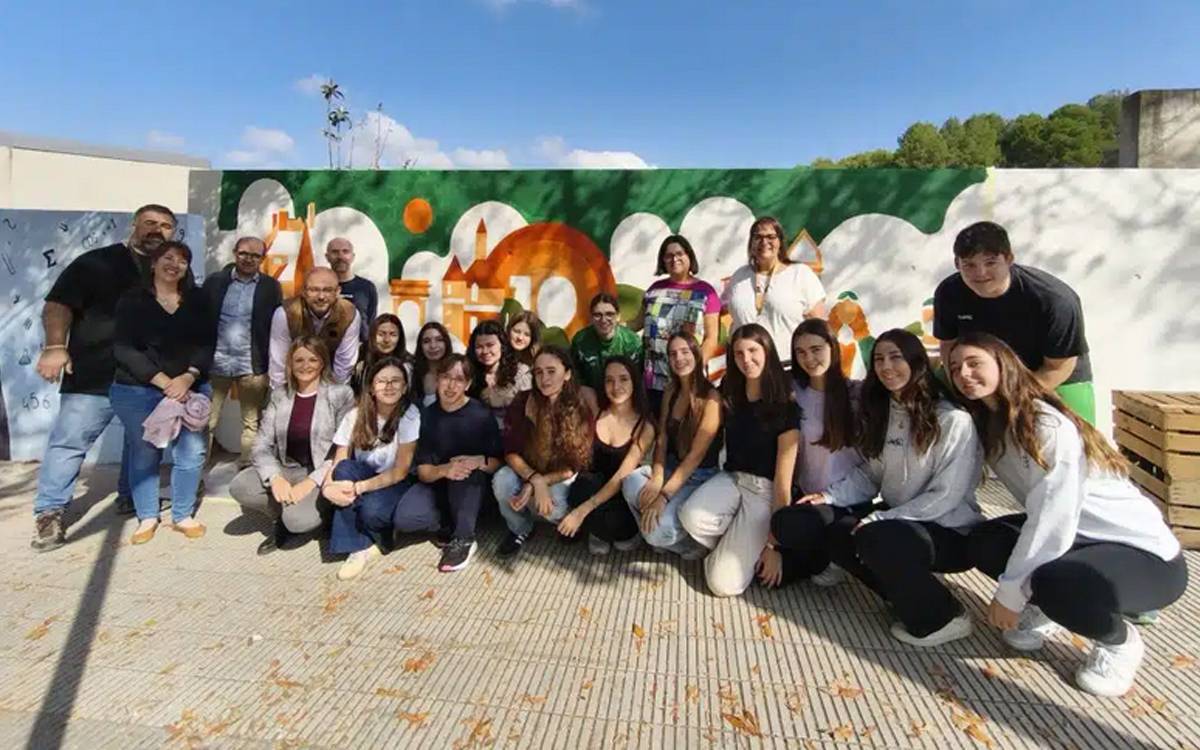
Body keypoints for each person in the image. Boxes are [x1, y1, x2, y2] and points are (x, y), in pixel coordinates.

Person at [949, 333, 1187, 697]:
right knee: (985, 540)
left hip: (1147, 558)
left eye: (973, 363)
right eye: (954, 368)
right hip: (1079, 540)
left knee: (1056, 582)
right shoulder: (991, 423)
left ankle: (1118, 642)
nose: (963, 373)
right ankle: (1048, 610)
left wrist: (1011, 592)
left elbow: (1053, 518)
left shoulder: (1046, 425)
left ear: (1003, 365)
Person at [776, 329, 984, 647]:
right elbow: (871, 474)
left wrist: (882, 519)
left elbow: (947, 495)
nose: (887, 367)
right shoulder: (886, 412)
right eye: (879, 359)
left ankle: (945, 617)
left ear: (917, 362)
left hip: (949, 529)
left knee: (873, 537)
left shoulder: (953, 420)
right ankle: (904, 593)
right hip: (896, 521)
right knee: (817, 525)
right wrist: (829, 497)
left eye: (896, 357)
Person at [31, 203, 177, 550]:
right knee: (69, 443)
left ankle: (130, 498)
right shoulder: (96, 263)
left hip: (144, 379)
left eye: (166, 226)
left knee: (140, 444)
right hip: (93, 376)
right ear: (134, 225)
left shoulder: (171, 271)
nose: (158, 230)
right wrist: (55, 346)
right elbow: (58, 304)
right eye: (150, 223)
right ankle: (50, 513)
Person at [678, 324, 800, 598]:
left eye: (753, 351)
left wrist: (773, 545)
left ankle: (743, 552)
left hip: (763, 492)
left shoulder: (785, 404)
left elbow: (783, 481)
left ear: (767, 351)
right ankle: (737, 545)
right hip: (732, 479)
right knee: (690, 517)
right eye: (739, 354)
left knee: (722, 586)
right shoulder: (730, 391)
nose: (747, 360)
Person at [934, 220, 1095, 423]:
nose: (980, 273)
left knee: (1077, 443)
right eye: (969, 265)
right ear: (957, 264)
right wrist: (964, 388)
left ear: (1009, 258)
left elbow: (1058, 367)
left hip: (1053, 374)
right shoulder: (948, 293)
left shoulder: (1053, 299)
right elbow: (948, 346)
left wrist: (1009, 400)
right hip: (985, 376)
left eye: (990, 262)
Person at [109, 241, 214, 545]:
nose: (175, 264)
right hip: (139, 390)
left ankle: (182, 515)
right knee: (145, 452)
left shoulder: (198, 300)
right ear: (153, 263)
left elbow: (208, 343)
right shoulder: (132, 300)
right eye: (168, 258)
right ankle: (147, 516)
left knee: (191, 452)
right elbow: (124, 348)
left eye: (182, 260)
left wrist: (188, 376)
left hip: (190, 387)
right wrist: (164, 382)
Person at [228, 337, 354, 554]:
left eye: (313, 359)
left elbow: (343, 448)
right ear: (290, 363)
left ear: (323, 362)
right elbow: (261, 443)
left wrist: (310, 483)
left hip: (322, 472)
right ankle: (281, 516)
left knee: (298, 522)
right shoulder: (280, 395)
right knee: (239, 486)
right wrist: (275, 478)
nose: (305, 366)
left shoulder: (340, 394)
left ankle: (318, 515)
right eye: (299, 360)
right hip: (286, 468)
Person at [765, 319, 864, 587]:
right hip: (805, 496)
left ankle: (834, 554)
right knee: (769, 576)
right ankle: (822, 554)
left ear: (832, 347)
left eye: (816, 349)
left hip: (847, 500)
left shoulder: (856, 395)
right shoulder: (793, 391)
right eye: (801, 352)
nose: (809, 358)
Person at [395, 354, 502, 572]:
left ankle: (464, 539)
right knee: (405, 518)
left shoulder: (480, 415)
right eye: (446, 377)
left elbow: (499, 463)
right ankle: (451, 522)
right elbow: (424, 471)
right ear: (437, 380)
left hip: (473, 487)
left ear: (468, 384)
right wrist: (445, 470)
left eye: (459, 379)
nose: (451, 385)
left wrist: (477, 461)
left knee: (464, 470)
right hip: (438, 484)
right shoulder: (427, 416)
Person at [623, 333, 722, 557]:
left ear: (696, 354)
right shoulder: (670, 390)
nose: (679, 358)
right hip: (669, 468)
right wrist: (657, 476)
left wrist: (663, 496)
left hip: (698, 476)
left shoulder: (711, 397)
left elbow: (695, 457)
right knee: (630, 482)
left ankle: (682, 542)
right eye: (673, 354)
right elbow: (662, 438)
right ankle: (654, 525)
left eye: (685, 352)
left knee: (656, 535)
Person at [324, 357, 421, 580]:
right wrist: (328, 487)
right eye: (382, 381)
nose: (388, 386)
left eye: (396, 381)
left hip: (396, 481)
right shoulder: (355, 415)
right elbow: (339, 459)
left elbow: (400, 471)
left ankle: (383, 537)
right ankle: (358, 549)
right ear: (371, 387)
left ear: (405, 387)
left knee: (372, 510)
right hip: (364, 474)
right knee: (344, 469)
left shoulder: (410, 415)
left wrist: (358, 488)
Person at [492, 347, 592, 558]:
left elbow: (574, 465)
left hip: (559, 475)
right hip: (527, 470)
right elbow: (510, 452)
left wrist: (539, 483)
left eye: (551, 371)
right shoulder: (522, 401)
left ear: (567, 374)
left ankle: (564, 522)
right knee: (502, 481)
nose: (544, 379)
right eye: (538, 372)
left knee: (554, 507)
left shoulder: (579, 407)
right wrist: (534, 480)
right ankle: (520, 528)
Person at [201, 236, 282, 467]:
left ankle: (246, 466)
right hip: (216, 362)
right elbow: (201, 317)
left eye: (255, 255)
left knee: (252, 421)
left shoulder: (269, 287)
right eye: (244, 253)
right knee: (206, 419)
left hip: (252, 364)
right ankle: (197, 466)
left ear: (262, 259)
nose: (249, 259)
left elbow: (274, 325)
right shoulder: (215, 282)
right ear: (235, 253)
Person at [560, 357, 652, 555]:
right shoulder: (596, 409)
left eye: (623, 379)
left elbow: (621, 477)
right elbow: (567, 383)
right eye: (609, 380)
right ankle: (598, 531)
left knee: (617, 528)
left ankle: (614, 531)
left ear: (635, 382)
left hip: (620, 498)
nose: (616, 386)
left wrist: (582, 511)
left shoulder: (644, 426)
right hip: (592, 490)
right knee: (581, 487)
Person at [721, 217, 826, 366]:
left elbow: (818, 327)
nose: (764, 242)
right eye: (758, 237)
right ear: (751, 243)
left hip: (788, 368)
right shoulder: (739, 276)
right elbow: (734, 323)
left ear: (780, 242)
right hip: (747, 369)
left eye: (771, 237)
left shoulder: (800, 274)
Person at [635, 235, 720, 416]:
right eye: (668, 256)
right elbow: (637, 322)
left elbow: (712, 338)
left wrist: (693, 369)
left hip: (688, 380)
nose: (675, 259)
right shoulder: (654, 290)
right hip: (654, 380)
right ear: (663, 261)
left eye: (679, 254)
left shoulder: (706, 292)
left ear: (689, 256)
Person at [268, 267, 360, 390]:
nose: (321, 296)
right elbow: (279, 362)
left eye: (328, 290)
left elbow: (344, 364)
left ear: (338, 291)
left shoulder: (349, 313)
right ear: (304, 291)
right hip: (293, 380)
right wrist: (282, 396)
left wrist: (335, 396)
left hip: (330, 380)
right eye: (314, 290)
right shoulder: (285, 313)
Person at [570, 292, 643, 393]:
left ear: (618, 316)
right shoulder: (580, 341)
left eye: (609, 314)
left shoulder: (632, 342)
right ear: (591, 318)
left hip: (622, 395)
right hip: (590, 396)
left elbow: (638, 381)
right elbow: (574, 377)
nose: (603, 320)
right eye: (597, 315)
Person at [466, 320, 531, 427]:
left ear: (502, 345)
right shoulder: (469, 374)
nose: (485, 351)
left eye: (490, 345)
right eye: (479, 347)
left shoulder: (521, 374)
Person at [325, 237, 377, 343]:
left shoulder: (367, 287)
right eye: (335, 252)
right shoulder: (319, 286)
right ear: (327, 257)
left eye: (345, 251)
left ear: (352, 257)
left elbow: (371, 322)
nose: (340, 256)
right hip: (325, 350)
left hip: (359, 350)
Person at [351, 313, 410, 395]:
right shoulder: (360, 359)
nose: (386, 340)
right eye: (381, 334)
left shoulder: (408, 366)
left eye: (393, 335)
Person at [412, 321, 452, 407]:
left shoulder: (455, 372)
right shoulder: (413, 374)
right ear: (420, 346)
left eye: (439, 340)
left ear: (446, 343)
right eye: (426, 341)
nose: (433, 346)